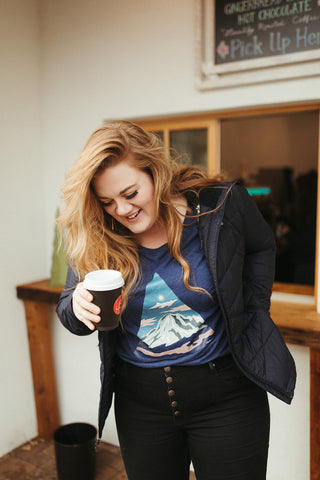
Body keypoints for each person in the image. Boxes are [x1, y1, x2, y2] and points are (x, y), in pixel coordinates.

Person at [56, 120, 296, 480]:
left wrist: (255, 306)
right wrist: (76, 307)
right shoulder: (98, 235)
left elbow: (262, 246)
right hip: (140, 407)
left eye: (130, 193)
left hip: (228, 399)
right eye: (107, 202)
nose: (121, 210)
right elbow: (69, 307)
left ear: (155, 172)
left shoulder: (220, 208)